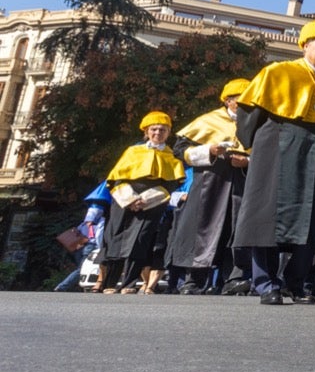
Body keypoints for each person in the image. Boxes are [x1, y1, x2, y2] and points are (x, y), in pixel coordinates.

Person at [234, 19, 315, 305]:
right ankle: (265, 283)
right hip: (278, 145)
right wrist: (258, 147)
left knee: (313, 216)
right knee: (268, 213)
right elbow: (249, 116)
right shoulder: (278, 72)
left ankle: (295, 282)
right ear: (305, 44)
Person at [168, 79, 252, 294]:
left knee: (238, 228)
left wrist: (247, 162)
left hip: (243, 180)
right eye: (242, 99)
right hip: (210, 179)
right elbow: (180, 150)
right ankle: (193, 281)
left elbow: (267, 153)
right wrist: (210, 151)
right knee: (202, 226)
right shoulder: (208, 120)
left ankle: (233, 279)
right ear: (228, 101)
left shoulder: (256, 123)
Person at [99, 112, 188, 293]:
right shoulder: (132, 151)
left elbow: (171, 184)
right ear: (146, 131)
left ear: (168, 132)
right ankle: (109, 283)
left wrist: (146, 199)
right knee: (117, 238)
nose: (158, 133)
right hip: (124, 200)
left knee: (140, 242)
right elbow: (116, 179)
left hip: (153, 202)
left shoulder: (171, 156)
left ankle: (129, 284)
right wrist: (130, 199)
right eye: (154, 129)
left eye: (162, 130)